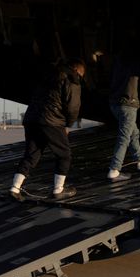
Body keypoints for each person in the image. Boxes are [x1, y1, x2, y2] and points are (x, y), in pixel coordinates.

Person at [9, 59, 85, 201]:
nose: (81, 78)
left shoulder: (48, 74)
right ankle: (58, 190)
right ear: (77, 71)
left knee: (31, 154)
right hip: (52, 121)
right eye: (82, 75)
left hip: (31, 118)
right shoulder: (72, 79)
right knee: (64, 155)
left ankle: (15, 188)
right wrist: (68, 124)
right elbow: (73, 107)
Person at [107, 44, 140, 181]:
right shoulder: (133, 65)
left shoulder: (117, 65)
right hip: (128, 104)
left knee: (133, 133)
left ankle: (139, 160)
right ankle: (114, 170)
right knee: (124, 137)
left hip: (115, 103)